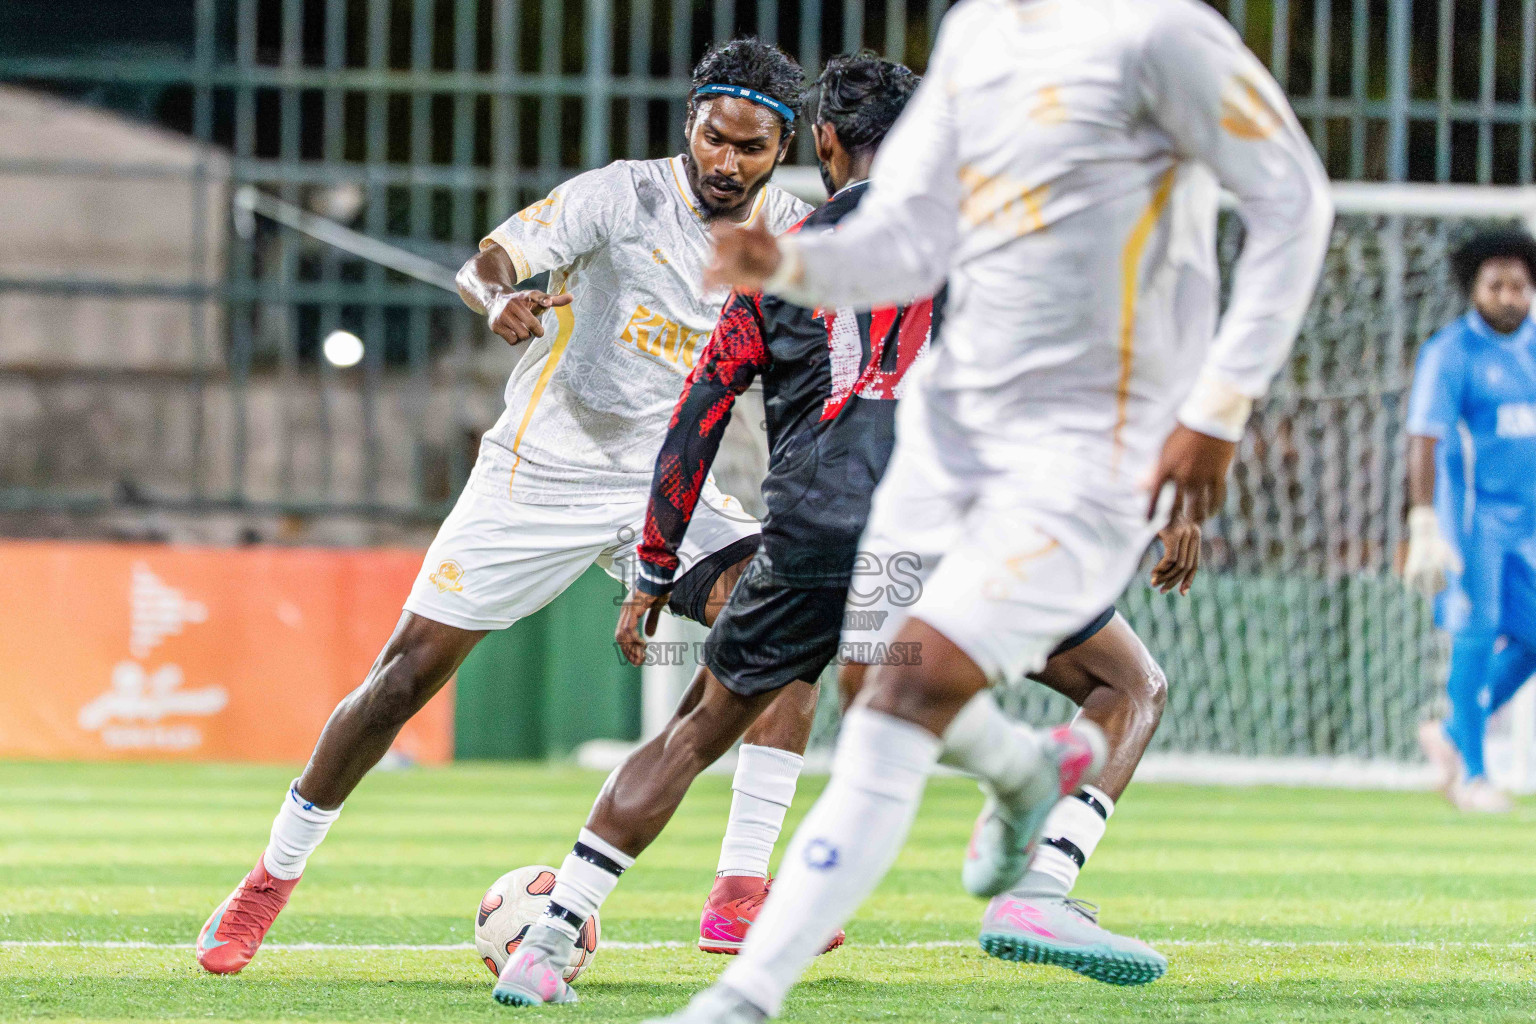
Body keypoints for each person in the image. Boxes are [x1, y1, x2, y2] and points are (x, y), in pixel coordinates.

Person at [654, 0, 1333, 1018]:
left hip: (1088, 446)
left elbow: (1294, 206)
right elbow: (913, 240)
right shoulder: (980, 32)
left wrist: (1220, 407)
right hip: (948, 430)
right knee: (877, 684)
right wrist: (791, 266)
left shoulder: (1164, 39)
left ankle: (757, 989)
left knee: (916, 693)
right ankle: (1017, 784)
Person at [489, 52, 1203, 1008]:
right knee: (1126, 684)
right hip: (944, 527)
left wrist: (655, 570)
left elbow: (697, 417)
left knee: (697, 731)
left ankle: (549, 939)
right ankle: (1041, 882)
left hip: (811, 534)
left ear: (822, 142)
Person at [193, 37, 815, 976]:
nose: (728, 163)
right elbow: (491, 258)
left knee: (789, 624)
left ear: (782, 149)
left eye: (751, 149)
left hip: (665, 486)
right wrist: (497, 300)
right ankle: (270, 878)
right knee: (399, 682)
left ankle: (738, 892)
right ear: (690, 120)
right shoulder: (619, 194)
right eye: (714, 138)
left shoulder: (794, 232)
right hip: (537, 472)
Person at [1408, 229, 1536, 814]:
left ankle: (1452, 736)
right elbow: (1425, 438)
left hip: (1529, 520)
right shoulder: (1451, 351)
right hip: (1473, 518)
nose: (1508, 295)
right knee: (1477, 633)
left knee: (1532, 640)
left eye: (1519, 285)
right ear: (1474, 290)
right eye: (1495, 284)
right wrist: (1423, 521)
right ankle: (1474, 776)